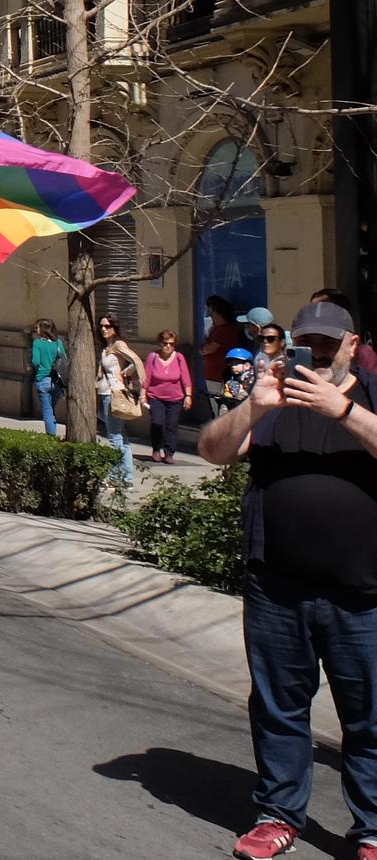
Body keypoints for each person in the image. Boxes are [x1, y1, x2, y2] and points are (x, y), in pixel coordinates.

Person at [199, 300, 377, 860]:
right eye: (308, 342)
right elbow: (213, 451)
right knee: (278, 709)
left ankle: (371, 826)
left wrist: (342, 410)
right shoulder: (271, 398)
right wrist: (251, 409)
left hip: (363, 593)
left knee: (369, 715)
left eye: (329, 343)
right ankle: (278, 815)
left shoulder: (367, 394)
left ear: (353, 344)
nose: (318, 353)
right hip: (277, 587)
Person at [97, 314, 143, 484]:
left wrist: (126, 374)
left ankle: (116, 475)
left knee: (114, 435)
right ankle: (127, 476)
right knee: (121, 436)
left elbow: (137, 361)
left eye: (108, 326)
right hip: (104, 393)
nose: (103, 329)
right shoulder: (107, 346)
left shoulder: (118, 344)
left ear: (115, 328)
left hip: (114, 394)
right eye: (101, 326)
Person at [144, 330, 193, 464]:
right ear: (160, 343)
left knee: (171, 425)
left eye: (171, 344)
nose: (168, 347)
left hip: (175, 398)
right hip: (155, 396)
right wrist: (143, 394)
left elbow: (186, 378)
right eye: (165, 343)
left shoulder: (179, 357)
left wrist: (188, 396)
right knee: (157, 422)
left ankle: (169, 452)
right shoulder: (153, 357)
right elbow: (146, 377)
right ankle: (156, 449)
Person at [30, 319, 65, 439]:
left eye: (37, 328)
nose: (36, 330)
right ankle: (53, 429)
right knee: (51, 408)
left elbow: (35, 361)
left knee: (47, 411)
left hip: (43, 379)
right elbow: (64, 359)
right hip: (57, 381)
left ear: (43, 329)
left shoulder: (37, 343)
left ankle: (51, 437)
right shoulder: (58, 343)